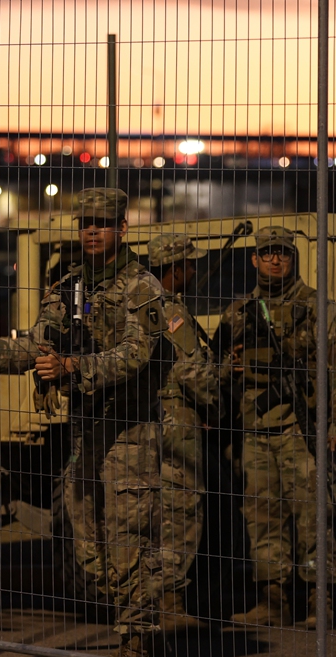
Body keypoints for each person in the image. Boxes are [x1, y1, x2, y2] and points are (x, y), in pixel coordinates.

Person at [0, 188, 171, 657]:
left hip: (129, 433)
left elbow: (136, 354)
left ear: (122, 228)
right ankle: (133, 630)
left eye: (102, 222)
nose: (92, 231)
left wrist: (75, 366)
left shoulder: (142, 288)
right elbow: (38, 343)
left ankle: (137, 647)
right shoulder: (69, 286)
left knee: (129, 540)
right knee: (86, 538)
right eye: (85, 223)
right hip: (84, 433)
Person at [214, 225, 336, 628]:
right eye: (267, 253)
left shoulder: (319, 309)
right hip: (254, 431)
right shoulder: (239, 312)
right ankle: (273, 600)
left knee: (312, 516)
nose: (275, 259)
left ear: (293, 258)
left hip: (301, 429)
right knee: (262, 518)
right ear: (254, 259)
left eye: (282, 252)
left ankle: (319, 599)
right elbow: (217, 372)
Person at [145, 233, 220, 631]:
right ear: (175, 270)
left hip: (146, 424)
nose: (193, 270)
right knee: (181, 511)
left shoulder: (137, 304)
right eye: (189, 264)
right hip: (177, 425)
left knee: (152, 515)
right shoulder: (171, 312)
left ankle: (151, 601)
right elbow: (192, 372)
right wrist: (219, 403)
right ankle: (170, 604)